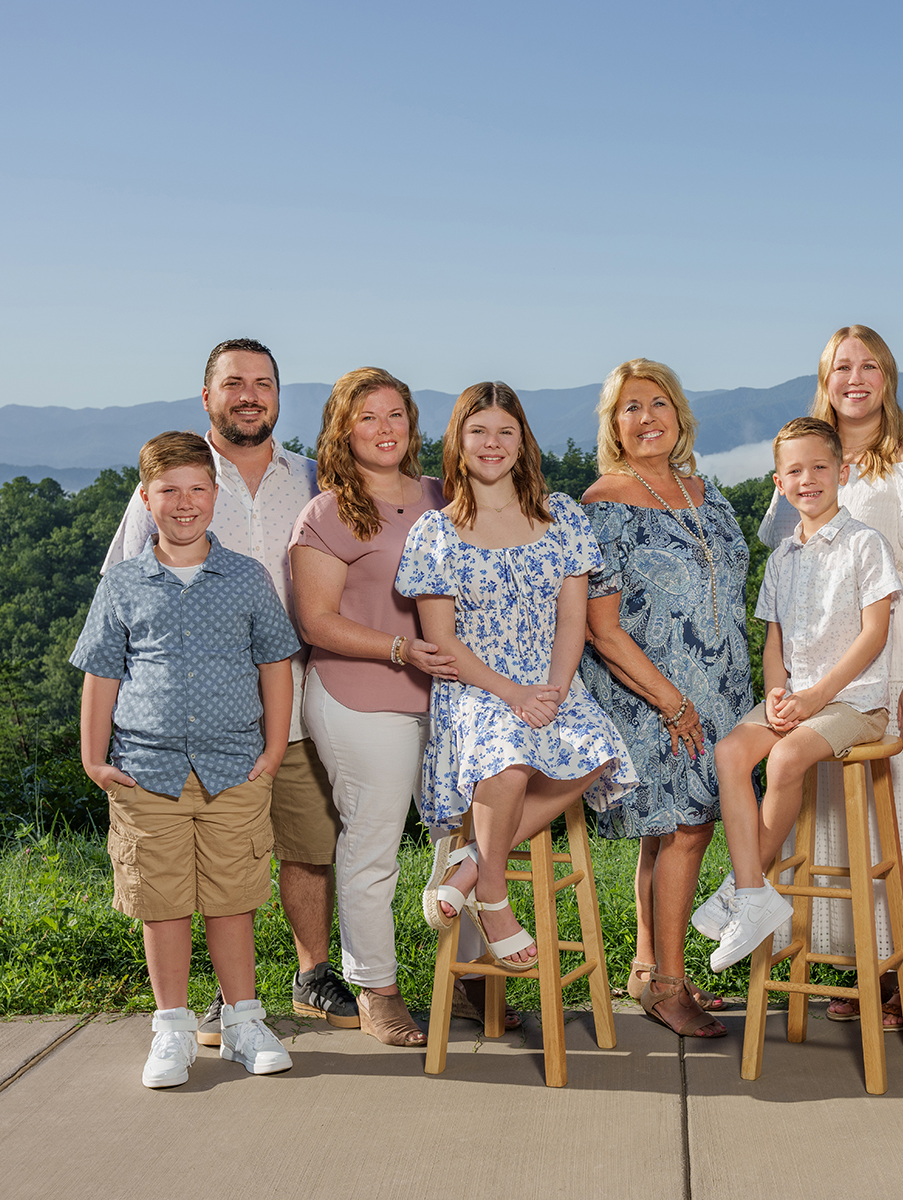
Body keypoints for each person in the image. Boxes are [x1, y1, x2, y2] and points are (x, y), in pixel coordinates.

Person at [103, 339, 358, 1043]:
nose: (250, 395)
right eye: (234, 383)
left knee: (308, 843)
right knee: (200, 856)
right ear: (207, 396)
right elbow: (122, 595)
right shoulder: (174, 480)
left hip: (297, 698)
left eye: (263, 383)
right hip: (193, 716)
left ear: (278, 396)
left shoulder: (313, 478)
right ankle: (223, 1000)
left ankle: (312, 975)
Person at [290, 367, 514, 1046]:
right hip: (362, 700)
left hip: (454, 701)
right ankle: (377, 990)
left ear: (412, 425)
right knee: (374, 846)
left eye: (395, 416)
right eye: (368, 418)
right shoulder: (327, 513)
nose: (384, 430)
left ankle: (471, 976)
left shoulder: (444, 496)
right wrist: (399, 649)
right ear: (342, 430)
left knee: (467, 843)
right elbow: (316, 621)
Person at [73, 431, 299, 1088]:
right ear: (146, 499)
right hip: (147, 771)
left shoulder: (247, 578)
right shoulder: (122, 583)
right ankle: (171, 1027)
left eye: (197, 489)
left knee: (233, 899)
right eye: (168, 491)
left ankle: (242, 1022)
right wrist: (94, 758)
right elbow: (101, 673)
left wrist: (276, 746)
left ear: (214, 496)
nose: (184, 502)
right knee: (162, 901)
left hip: (235, 767)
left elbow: (275, 663)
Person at [397, 382, 637, 971]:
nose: (492, 443)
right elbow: (442, 639)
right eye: (478, 431)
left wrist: (551, 692)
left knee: (597, 750)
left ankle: (474, 863)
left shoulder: (562, 518)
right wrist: (511, 693)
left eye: (506, 431)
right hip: (473, 685)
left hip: (550, 679)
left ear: (523, 441)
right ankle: (495, 898)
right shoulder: (435, 532)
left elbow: (572, 620)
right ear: (458, 441)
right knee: (505, 759)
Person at [757, 326, 903, 1028]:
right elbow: (787, 556)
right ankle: (856, 963)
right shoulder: (813, 466)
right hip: (820, 666)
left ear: (888, 378)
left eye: (869, 365)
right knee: (836, 818)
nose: (855, 378)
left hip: (892, 659)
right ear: (825, 379)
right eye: (842, 366)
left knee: (901, 813)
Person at [581, 359, 752, 1039]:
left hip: (721, 690)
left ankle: (647, 966)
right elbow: (602, 628)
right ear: (612, 424)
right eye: (629, 408)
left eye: (658, 403)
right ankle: (671, 986)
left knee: (673, 835)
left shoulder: (704, 491)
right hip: (654, 696)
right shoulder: (605, 503)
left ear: (679, 413)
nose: (646, 417)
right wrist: (672, 703)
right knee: (684, 831)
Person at [696, 416, 901, 973]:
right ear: (778, 482)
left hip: (855, 702)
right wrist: (778, 691)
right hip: (798, 694)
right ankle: (753, 891)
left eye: (819, 467)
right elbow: (774, 641)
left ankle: (746, 889)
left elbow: (874, 634)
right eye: (794, 471)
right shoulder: (782, 557)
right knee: (731, 752)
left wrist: (813, 699)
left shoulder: (865, 544)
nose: (807, 479)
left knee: (784, 756)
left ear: (843, 470)